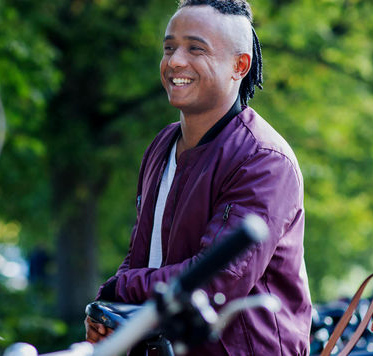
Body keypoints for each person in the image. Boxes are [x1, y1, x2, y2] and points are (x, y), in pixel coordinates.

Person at [85, 0, 312, 354]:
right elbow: (142, 256)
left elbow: (216, 281)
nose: (175, 61)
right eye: (169, 47)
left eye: (195, 49)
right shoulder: (162, 145)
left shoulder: (264, 160)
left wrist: (119, 289)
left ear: (240, 65)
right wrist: (112, 314)